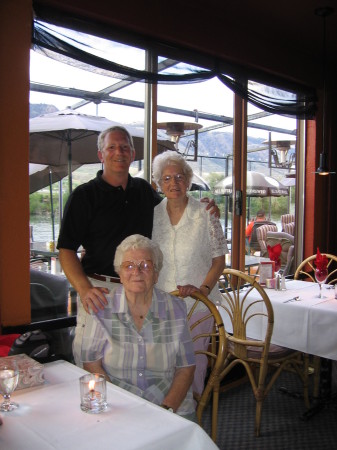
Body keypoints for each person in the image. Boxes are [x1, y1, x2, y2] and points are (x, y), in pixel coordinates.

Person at [57, 126, 219, 314]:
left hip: (141, 289)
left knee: (140, 344)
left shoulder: (143, 191)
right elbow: (66, 250)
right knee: (97, 344)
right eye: (112, 147)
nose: (119, 152)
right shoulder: (83, 196)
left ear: (133, 154)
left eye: (125, 147)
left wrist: (203, 207)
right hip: (101, 290)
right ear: (101, 155)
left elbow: (175, 208)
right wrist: (84, 289)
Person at [80, 234, 196, 420]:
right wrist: (121, 408)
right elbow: (91, 363)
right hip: (119, 406)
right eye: (129, 265)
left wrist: (167, 409)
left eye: (146, 265)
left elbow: (186, 368)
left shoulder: (176, 308)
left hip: (169, 405)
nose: (137, 271)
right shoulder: (102, 308)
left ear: (156, 274)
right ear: (119, 272)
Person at [151, 150, 228, 395]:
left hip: (199, 307)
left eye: (179, 176)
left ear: (188, 179)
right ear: (158, 183)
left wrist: (202, 291)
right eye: (167, 178)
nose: (174, 183)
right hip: (162, 304)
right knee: (164, 369)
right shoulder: (151, 216)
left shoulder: (206, 213)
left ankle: (193, 418)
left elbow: (219, 260)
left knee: (193, 366)